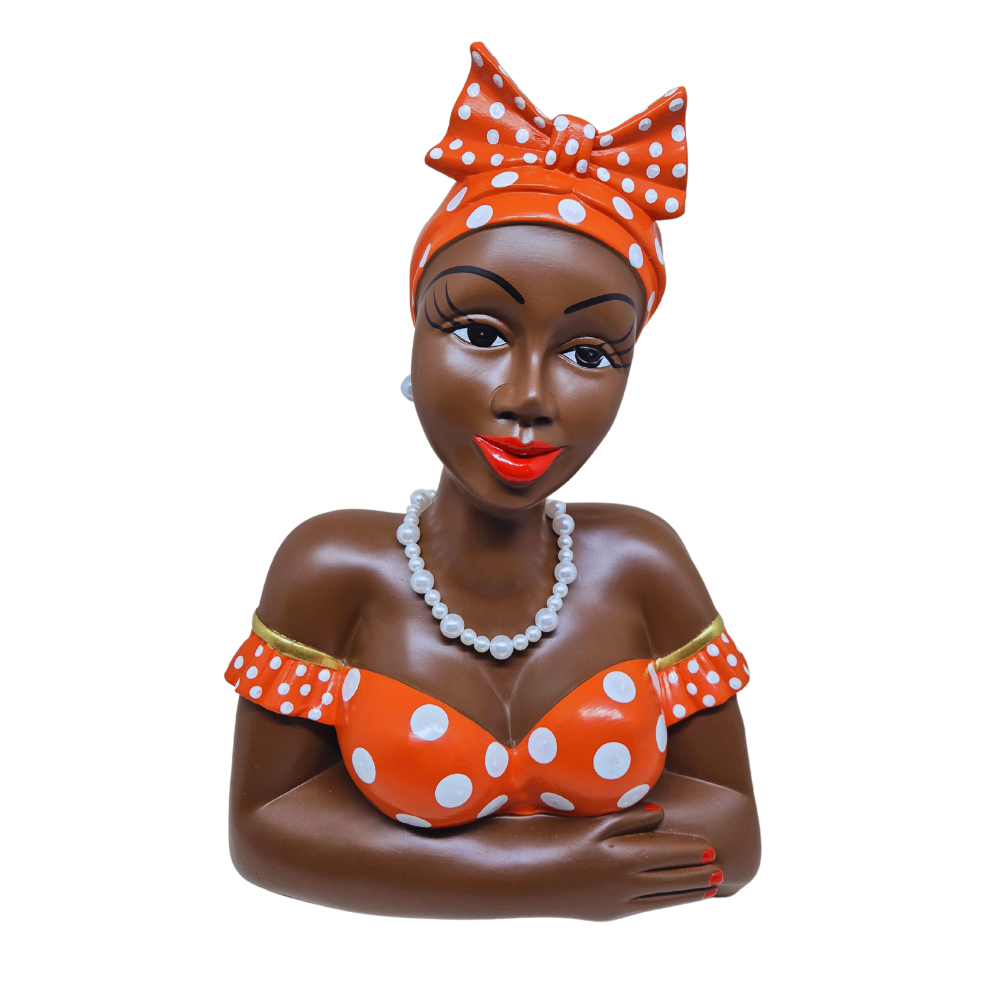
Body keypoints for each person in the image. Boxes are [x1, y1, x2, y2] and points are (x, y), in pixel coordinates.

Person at [225, 42, 760, 921]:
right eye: (479, 332)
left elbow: (733, 838)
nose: (528, 397)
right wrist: (553, 877)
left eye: (590, 353)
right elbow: (264, 833)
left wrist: (440, 866)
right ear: (414, 334)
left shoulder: (644, 561)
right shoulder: (328, 568)